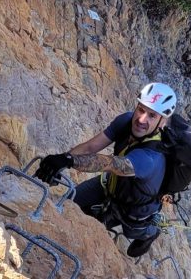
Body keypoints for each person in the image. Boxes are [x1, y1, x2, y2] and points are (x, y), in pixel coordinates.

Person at [34, 82, 177, 258]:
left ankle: (151, 232)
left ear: (162, 121)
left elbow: (110, 164)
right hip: (110, 185)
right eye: (141, 109)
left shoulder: (151, 157)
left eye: (152, 115)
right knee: (69, 200)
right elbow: (90, 147)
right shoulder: (126, 121)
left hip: (136, 208)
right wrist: (60, 161)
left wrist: (69, 160)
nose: (141, 119)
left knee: (131, 231)